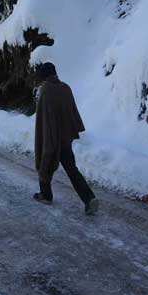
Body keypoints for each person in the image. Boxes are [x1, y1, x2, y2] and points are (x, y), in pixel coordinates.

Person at [33, 62, 99, 215]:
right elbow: (72, 113)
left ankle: (46, 195)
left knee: (45, 164)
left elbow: (44, 120)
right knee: (71, 169)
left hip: (51, 137)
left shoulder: (45, 90)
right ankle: (89, 198)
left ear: (44, 76)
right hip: (65, 138)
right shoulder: (66, 88)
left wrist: (47, 140)